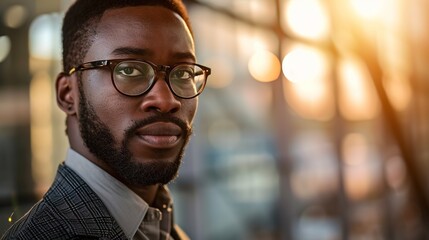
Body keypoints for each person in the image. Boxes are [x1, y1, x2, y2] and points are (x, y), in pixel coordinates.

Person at [2, 0, 210, 239]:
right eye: (129, 70)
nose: (166, 100)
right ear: (67, 94)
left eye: (183, 72)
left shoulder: (163, 225)